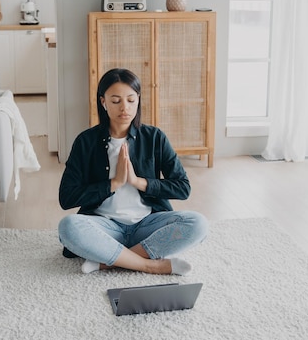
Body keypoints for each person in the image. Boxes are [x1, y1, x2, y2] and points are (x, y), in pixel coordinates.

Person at [58, 68, 208, 275]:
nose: (125, 108)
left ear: (138, 99)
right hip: (105, 227)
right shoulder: (86, 141)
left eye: (130, 99)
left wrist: (138, 182)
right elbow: (66, 197)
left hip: (148, 226)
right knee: (68, 227)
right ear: (103, 102)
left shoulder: (154, 137)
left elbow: (183, 188)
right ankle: (149, 264)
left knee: (198, 224)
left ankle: (109, 261)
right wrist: (114, 183)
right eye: (116, 100)